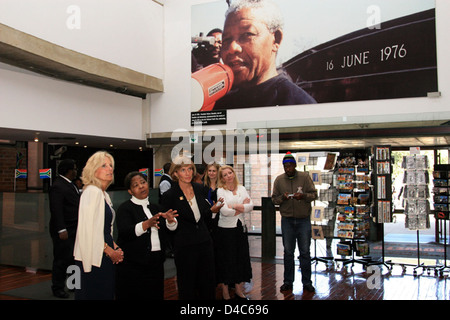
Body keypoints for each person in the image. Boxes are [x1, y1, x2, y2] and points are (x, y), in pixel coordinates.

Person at [215, 0, 316, 109]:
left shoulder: (299, 106)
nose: (232, 48)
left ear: (276, 40)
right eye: (226, 39)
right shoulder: (218, 104)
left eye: (247, 34)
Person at [160, 156, 223, 300]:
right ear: (175, 173)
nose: (188, 173)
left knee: (207, 282)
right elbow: (168, 226)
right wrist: (170, 222)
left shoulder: (200, 188)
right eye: (183, 170)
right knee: (187, 285)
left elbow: (204, 214)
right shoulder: (170, 195)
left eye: (190, 169)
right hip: (184, 246)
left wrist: (212, 211)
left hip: (204, 242)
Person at [115, 171, 178, 300]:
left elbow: (167, 231)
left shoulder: (155, 207)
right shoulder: (125, 208)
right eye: (136, 185)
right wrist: (146, 224)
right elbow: (125, 232)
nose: (141, 186)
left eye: (143, 183)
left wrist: (171, 222)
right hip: (134, 265)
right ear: (130, 191)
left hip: (156, 263)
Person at [73, 151, 124, 300]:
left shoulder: (103, 194)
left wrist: (115, 247)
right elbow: (88, 231)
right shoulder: (92, 192)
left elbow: (104, 229)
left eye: (111, 165)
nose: (110, 169)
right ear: (93, 170)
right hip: (94, 255)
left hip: (103, 252)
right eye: (104, 166)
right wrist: (109, 251)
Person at [271, 152, 318, 293]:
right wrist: (283, 199)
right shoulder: (279, 180)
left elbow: (314, 194)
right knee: (288, 252)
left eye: (290, 165)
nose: (288, 168)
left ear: (295, 165)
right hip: (287, 221)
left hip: (303, 220)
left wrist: (303, 196)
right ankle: (288, 282)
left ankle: (307, 282)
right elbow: (274, 199)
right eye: (285, 166)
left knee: (304, 252)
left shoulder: (304, 177)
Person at [216, 165, 253, 300]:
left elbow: (251, 206)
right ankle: (225, 291)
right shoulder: (220, 191)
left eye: (230, 173)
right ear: (222, 178)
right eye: (225, 175)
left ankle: (238, 289)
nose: (228, 176)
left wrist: (235, 206)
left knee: (240, 259)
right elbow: (224, 211)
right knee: (227, 260)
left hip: (240, 229)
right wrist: (242, 207)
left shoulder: (242, 188)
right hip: (225, 231)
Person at [49, 159, 80, 298]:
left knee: (73, 258)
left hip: (74, 229)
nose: (76, 171)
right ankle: (57, 287)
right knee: (61, 259)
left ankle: (73, 284)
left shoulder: (70, 185)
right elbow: (56, 210)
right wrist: (61, 229)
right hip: (65, 230)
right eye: (74, 168)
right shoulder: (58, 186)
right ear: (68, 170)